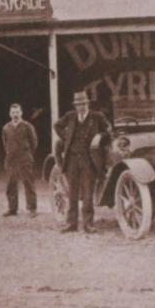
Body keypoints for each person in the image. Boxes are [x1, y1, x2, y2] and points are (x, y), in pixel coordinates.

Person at [53, 91, 112, 234]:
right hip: (72, 160)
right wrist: (67, 137)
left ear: (88, 104)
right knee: (72, 192)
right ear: (75, 106)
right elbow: (57, 126)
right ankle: (71, 224)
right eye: (79, 104)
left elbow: (109, 131)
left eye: (84, 104)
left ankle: (88, 224)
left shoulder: (97, 117)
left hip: (89, 160)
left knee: (87, 192)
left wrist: (100, 136)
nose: (82, 107)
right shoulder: (70, 116)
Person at [2, 103, 38, 218]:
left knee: (28, 183)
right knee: (11, 184)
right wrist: (10, 154)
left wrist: (27, 154)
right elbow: (5, 143)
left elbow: (34, 143)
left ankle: (32, 208)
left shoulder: (27, 126)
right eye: (13, 112)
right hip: (11, 160)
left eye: (17, 112)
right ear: (10, 114)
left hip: (24, 159)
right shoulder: (6, 128)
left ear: (21, 113)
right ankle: (12, 208)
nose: (15, 115)